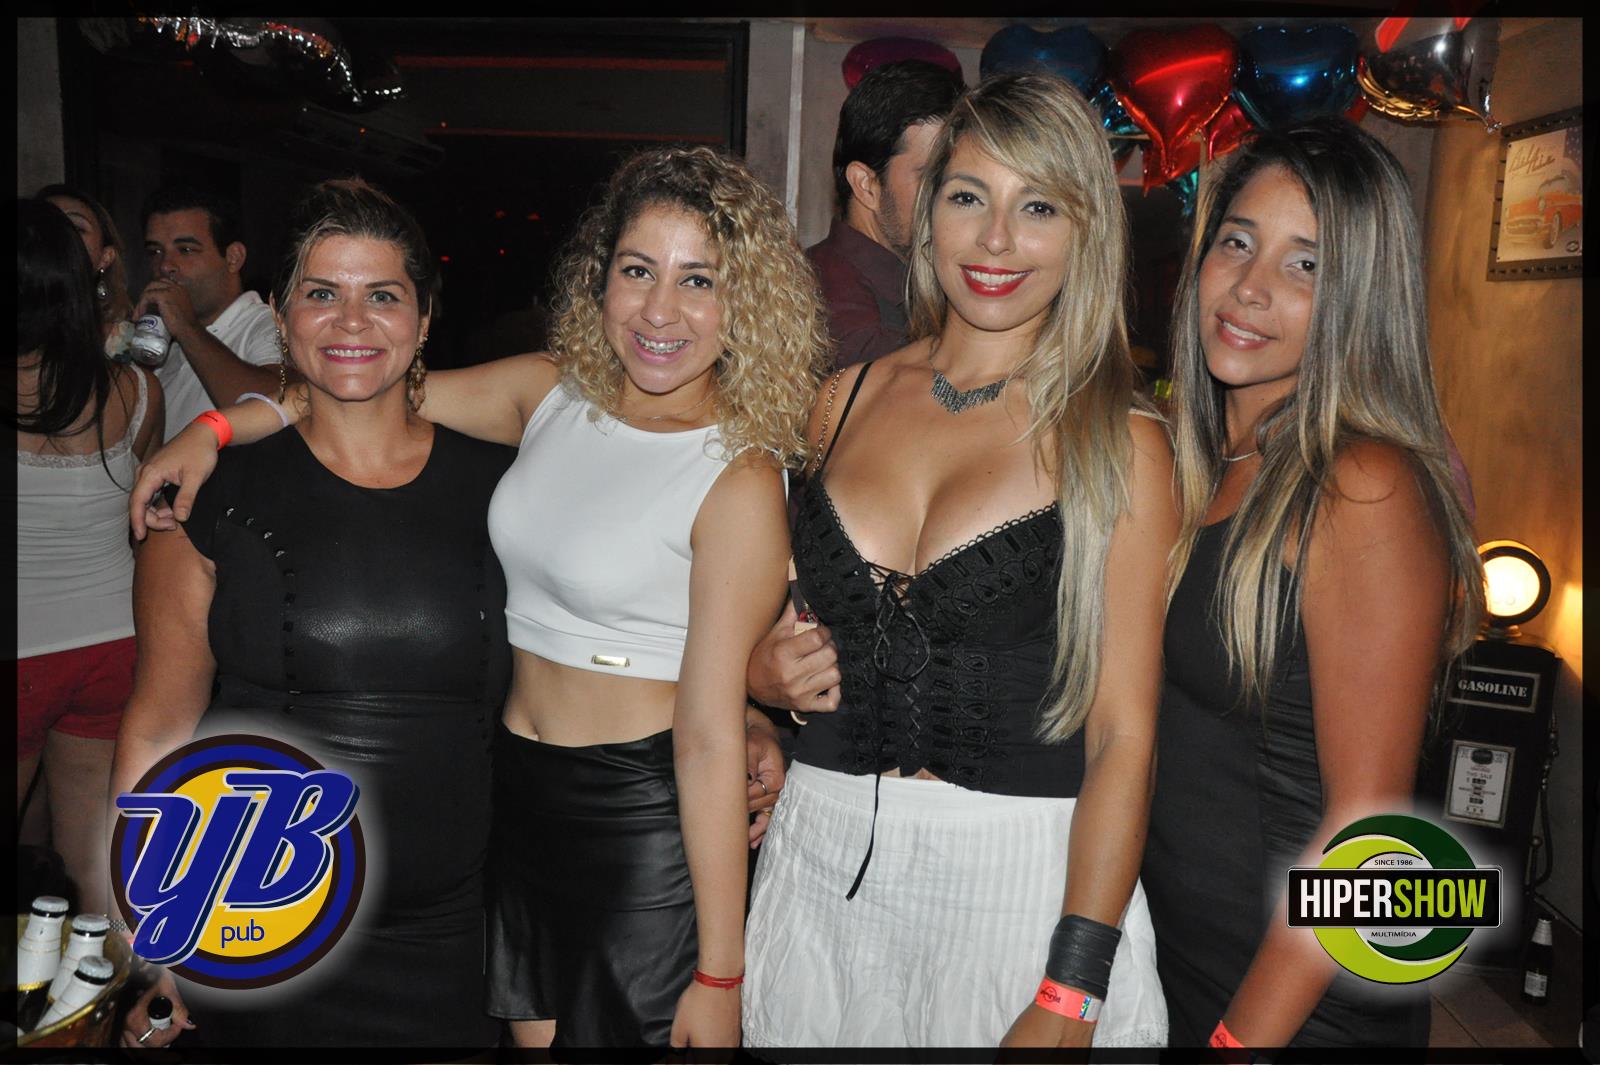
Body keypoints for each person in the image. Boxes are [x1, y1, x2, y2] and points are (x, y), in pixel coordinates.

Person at [127, 147, 825, 1049]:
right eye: (637, 270)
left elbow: (706, 731)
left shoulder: (740, 471)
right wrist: (213, 428)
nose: (660, 309)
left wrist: (722, 970)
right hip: (513, 806)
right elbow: (361, 381)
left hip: (642, 814)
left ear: (746, 300)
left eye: (699, 279)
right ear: (599, 279)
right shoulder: (551, 395)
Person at [741, 73, 1173, 1048]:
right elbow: (758, 609)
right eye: (969, 196)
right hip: (818, 863)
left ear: (1085, 231)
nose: (995, 240)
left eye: (1039, 207)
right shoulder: (837, 401)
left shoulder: (1119, 441)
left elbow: (1124, 740)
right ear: (927, 210)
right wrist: (755, 680)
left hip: (1020, 887)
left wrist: (1072, 989)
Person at [112, 177, 512, 1048]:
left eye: (384, 296)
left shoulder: (508, 487)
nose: (351, 321)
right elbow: (158, 726)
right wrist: (153, 933)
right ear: (282, 316)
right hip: (256, 916)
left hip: (458, 933)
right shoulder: (208, 495)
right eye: (322, 294)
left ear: (425, 318)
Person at [1140, 118, 1484, 1049]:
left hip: (1295, 1000)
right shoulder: (1202, 461)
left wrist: (1239, 1043)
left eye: (1306, 265)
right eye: (1237, 242)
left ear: (1360, 297)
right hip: (1183, 957)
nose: (1250, 286)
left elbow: (1366, 831)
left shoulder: (1360, 484)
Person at [13, 198, 164, 917]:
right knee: (93, 863)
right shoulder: (137, 390)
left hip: (21, 648)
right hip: (112, 643)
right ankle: (100, 986)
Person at [809, 59, 964, 368]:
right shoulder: (845, 318)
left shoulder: (925, 283)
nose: (953, 196)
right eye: (930, 177)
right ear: (866, 185)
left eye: (960, 180)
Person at [138, 184, 282, 438]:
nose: (165, 266)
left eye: (186, 250)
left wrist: (187, 328)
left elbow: (278, 407)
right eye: (155, 251)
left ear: (233, 257)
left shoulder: (267, 324)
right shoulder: (164, 338)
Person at [35, 185, 134, 356]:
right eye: (47, 224)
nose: (60, 234)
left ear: (105, 257)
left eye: (76, 227)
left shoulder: (126, 343)